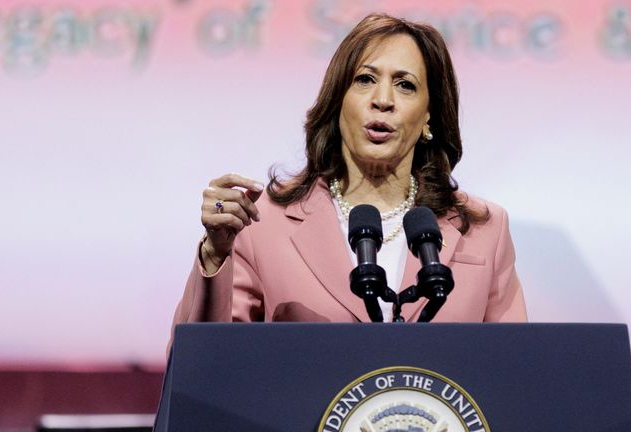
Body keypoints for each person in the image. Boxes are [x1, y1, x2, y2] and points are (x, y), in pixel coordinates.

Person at [171, 13, 527, 327]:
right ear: (338, 99)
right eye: (365, 80)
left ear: (428, 116)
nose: (383, 100)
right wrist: (215, 255)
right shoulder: (262, 222)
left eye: (405, 85)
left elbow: (512, 373)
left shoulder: (485, 229)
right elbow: (203, 370)